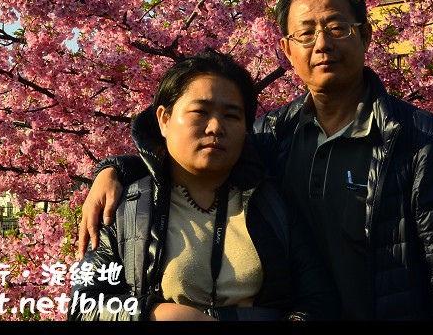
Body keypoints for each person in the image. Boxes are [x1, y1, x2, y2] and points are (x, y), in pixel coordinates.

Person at [78, 0, 433, 320]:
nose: (322, 44)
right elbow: (196, 158)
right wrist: (115, 169)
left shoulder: (419, 140)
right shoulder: (272, 135)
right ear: (287, 49)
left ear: (365, 35)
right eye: (305, 33)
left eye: (337, 28)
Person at [69, 48, 339, 322]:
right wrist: (155, 313)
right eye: (200, 111)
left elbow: (318, 300)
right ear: (164, 119)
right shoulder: (124, 207)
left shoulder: (271, 203)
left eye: (232, 116)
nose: (215, 127)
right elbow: (83, 307)